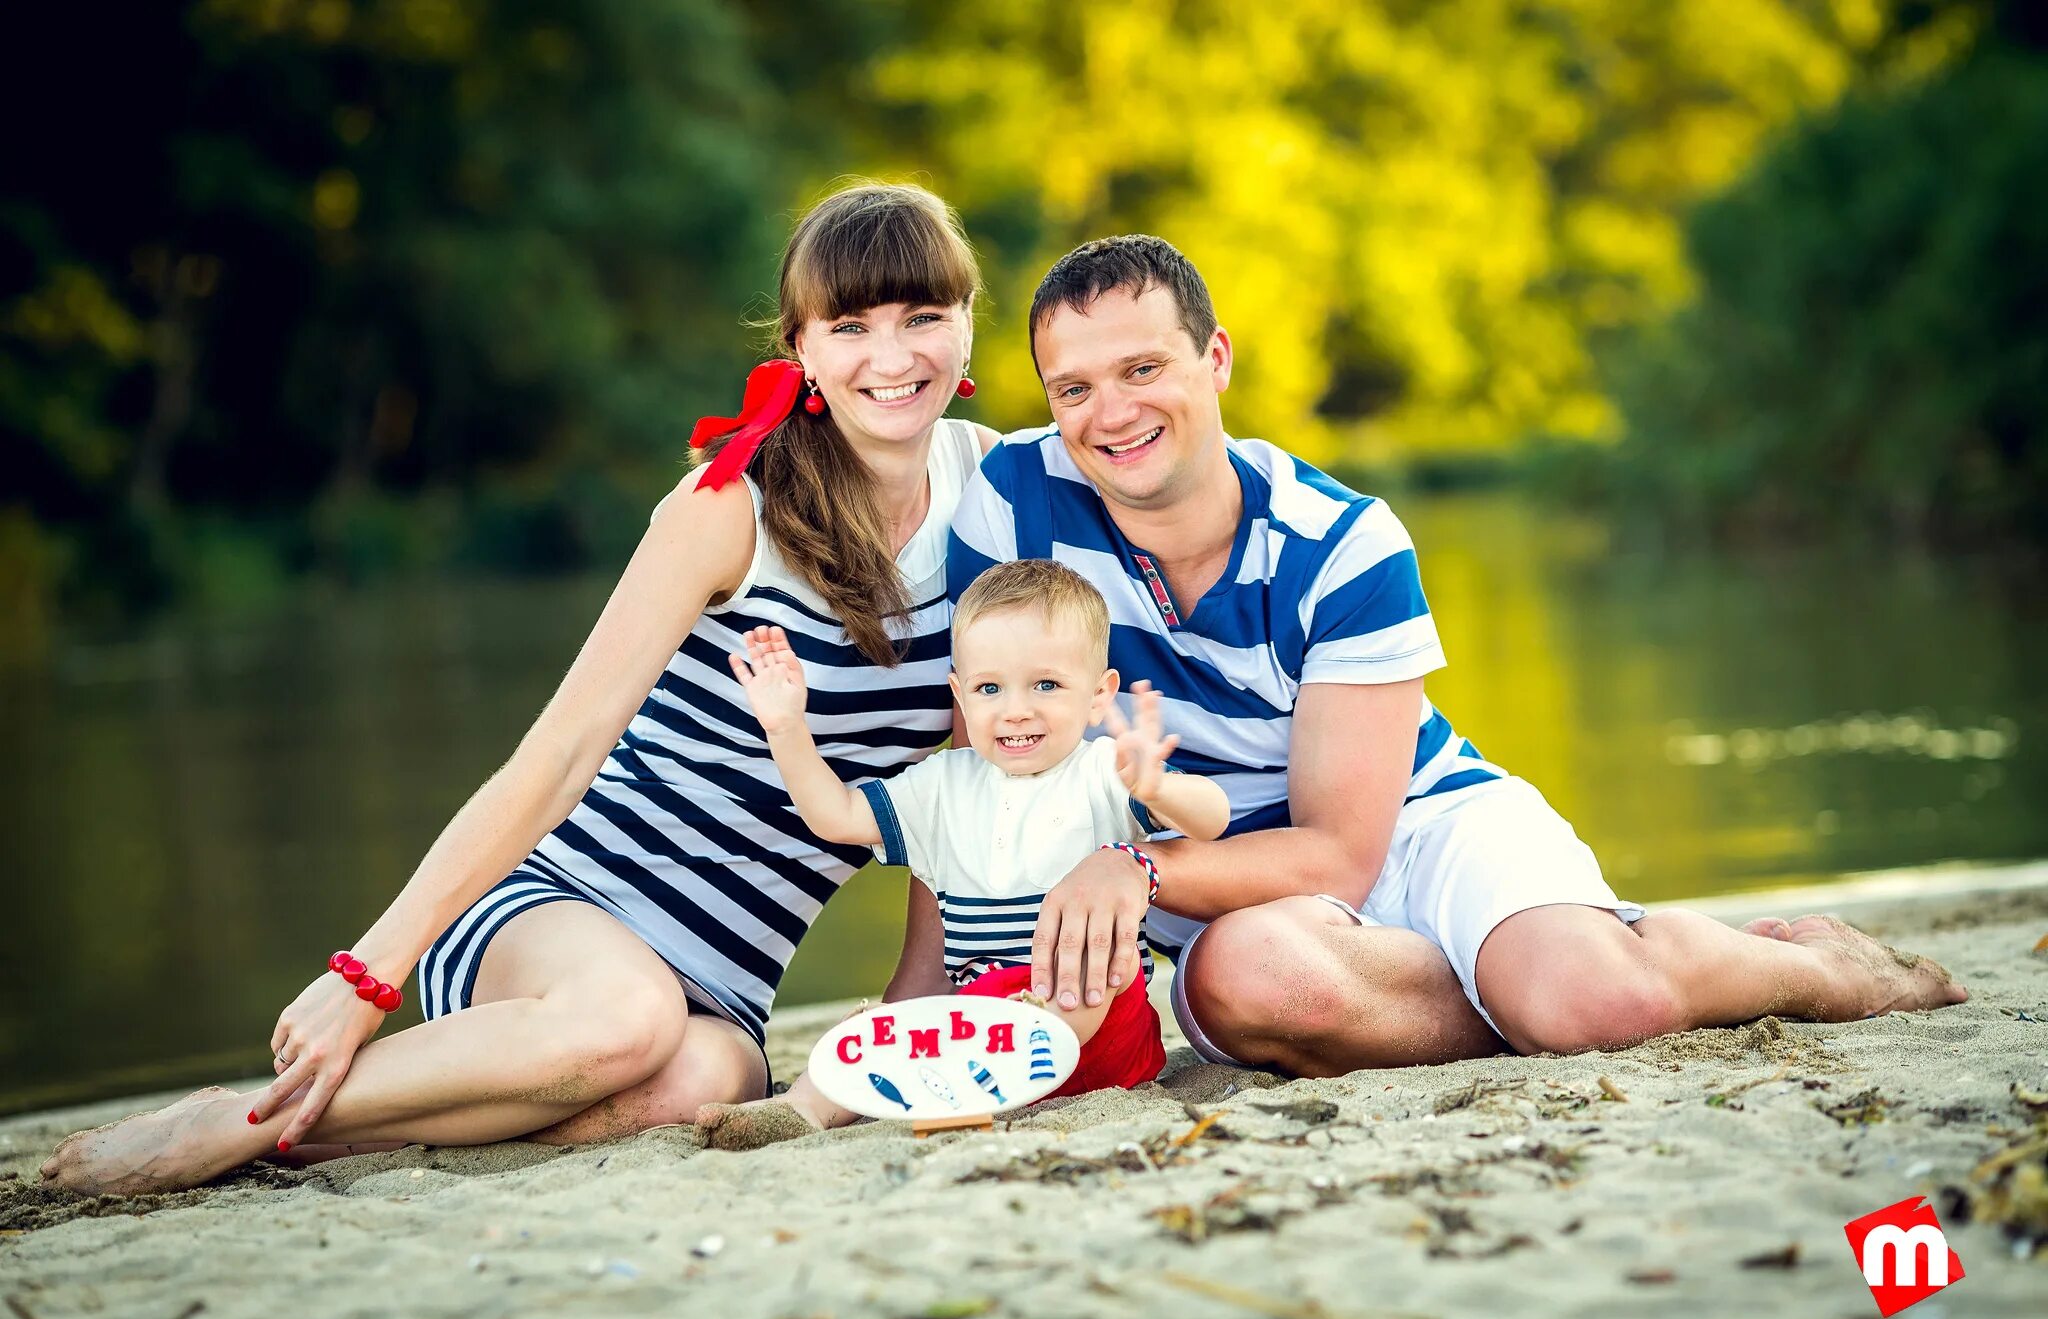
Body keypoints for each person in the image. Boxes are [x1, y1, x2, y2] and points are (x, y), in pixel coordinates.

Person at [41, 183, 1003, 1195]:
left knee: (688, 1087)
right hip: (558, 909)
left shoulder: (990, 497)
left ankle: (301, 1135)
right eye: (850, 325)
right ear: (802, 345)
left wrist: (911, 1006)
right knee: (624, 1022)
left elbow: (966, 781)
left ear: (966, 321)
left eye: (922, 318)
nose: (891, 358)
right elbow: (558, 755)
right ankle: (229, 1117)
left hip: (724, 979)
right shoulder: (727, 508)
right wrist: (364, 978)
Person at [948, 234, 1967, 1078]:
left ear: (1214, 358)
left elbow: (1343, 849)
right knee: (1242, 984)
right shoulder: (1012, 502)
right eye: (1069, 388)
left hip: (1414, 826)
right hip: (1248, 908)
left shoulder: (1342, 543)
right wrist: (930, 995)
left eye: (1140, 369)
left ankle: (1822, 967)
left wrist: (1134, 863)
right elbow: (970, 765)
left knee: (1595, 1003)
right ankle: (1515, 974)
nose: (1108, 414)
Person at [697, 558, 1230, 1145]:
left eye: (1046, 685)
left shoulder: (1103, 771)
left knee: (1064, 981)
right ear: (960, 693)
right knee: (878, 1030)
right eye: (989, 688)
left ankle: (988, 1044)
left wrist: (1159, 788)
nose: (1016, 708)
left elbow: (1212, 820)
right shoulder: (940, 787)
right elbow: (835, 816)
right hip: (981, 1020)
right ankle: (799, 1112)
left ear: (1100, 695)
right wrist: (786, 729)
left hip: (1098, 1024)